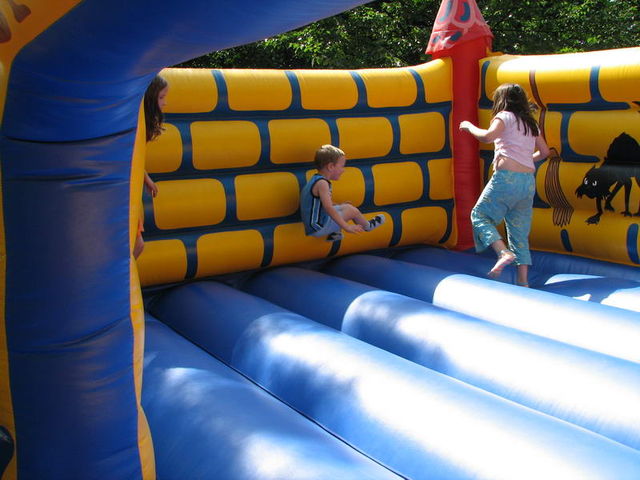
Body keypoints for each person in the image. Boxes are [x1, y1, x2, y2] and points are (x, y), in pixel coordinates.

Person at [459, 83, 550, 287]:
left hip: (507, 179)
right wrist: (524, 160)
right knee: (519, 231)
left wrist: (468, 126)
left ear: (502, 101)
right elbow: (545, 152)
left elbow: (487, 137)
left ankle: (503, 252)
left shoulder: (504, 116)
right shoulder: (530, 123)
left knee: (479, 215)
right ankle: (523, 282)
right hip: (527, 183)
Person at [300, 144, 385, 241]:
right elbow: (328, 208)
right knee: (351, 210)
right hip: (318, 227)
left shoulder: (316, 180)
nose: (343, 170)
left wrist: (340, 206)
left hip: (315, 224)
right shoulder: (322, 184)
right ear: (331, 166)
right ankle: (368, 226)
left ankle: (335, 234)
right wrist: (347, 227)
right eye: (342, 166)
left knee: (344, 207)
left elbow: (322, 205)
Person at [134, 75, 167, 259]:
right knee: (137, 245)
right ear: (150, 98)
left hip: (130, 192)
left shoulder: (142, 125)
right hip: (122, 193)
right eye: (161, 97)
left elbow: (135, 160)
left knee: (137, 245)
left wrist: (146, 178)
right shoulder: (136, 125)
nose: (165, 103)